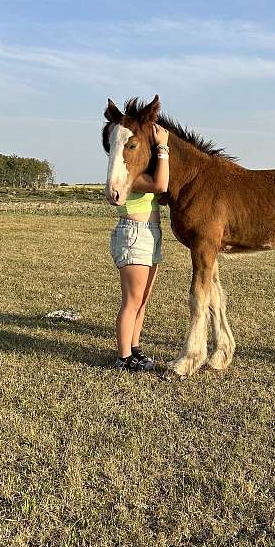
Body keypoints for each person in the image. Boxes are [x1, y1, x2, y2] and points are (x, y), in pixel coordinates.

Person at [109, 124, 170, 370]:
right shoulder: (132, 176)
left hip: (149, 234)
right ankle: (123, 358)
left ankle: (134, 348)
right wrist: (163, 146)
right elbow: (161, 185)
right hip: (134, 235)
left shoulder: (140, 173)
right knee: (132, 301)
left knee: (143, 300)